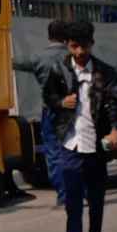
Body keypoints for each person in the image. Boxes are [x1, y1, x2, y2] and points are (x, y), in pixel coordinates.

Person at [45, 21, 117, 232]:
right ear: (68, 45)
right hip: (70, 141)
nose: (79, 52)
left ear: (92, 43)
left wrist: (115, 130)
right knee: (73, 193)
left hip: (96, 142)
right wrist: (60, 103)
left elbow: (114, 103)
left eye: (84, 46)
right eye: (74, 46)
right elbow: (48, 96)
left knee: (97, 192)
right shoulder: (58, 70)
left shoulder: (106, 73)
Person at [32, 19, 72, 206]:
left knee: (54, 154)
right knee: (76, 151)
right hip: (73, 110)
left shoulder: (39, 58)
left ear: (49, 36)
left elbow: (15, 63)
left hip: (50, 112)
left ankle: (64, 196)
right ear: (66, 37)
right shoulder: (75, 56)